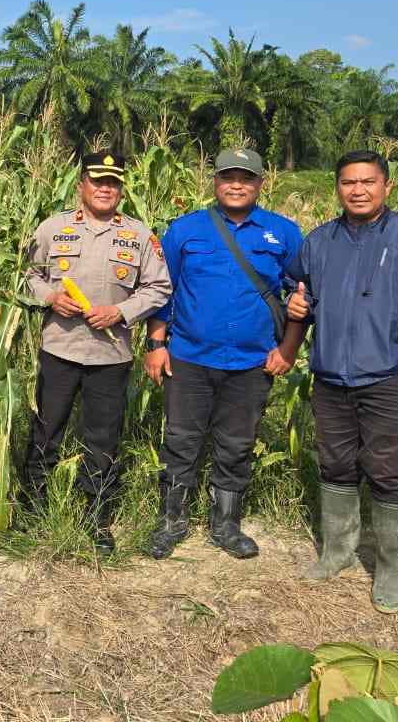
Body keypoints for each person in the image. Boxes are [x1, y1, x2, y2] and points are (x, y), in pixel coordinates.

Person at [288, 149, 398, 614]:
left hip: (395, 376)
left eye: (368, 182)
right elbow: (294, 286)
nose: (358, 190)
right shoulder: (319, 241)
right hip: (332, 376)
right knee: (336, 465)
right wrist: (294, 302)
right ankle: (337, 552)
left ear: (387, 186)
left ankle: (389, 568)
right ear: (338, 188)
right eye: (349, 182)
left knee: (388, 471)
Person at [143, 148, 305, 561]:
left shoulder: (282, 233)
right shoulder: (184, 230)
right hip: (190, 357)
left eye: (246, 177)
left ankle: (226, 525)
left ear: (260, 183)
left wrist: (288, 349)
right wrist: (156, 347)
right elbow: (164, 294)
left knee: (237, 443)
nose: (237, 184)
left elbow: (302, 294)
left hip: (252, 361)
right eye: (228, 176)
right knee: (181, 440)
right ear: (214, 181)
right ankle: (171, 521)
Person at [22, 152, 172, 554]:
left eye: (113, 183)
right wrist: (51, 297)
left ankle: (97, 518)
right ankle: (33, 511)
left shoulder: (139, 235)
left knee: (103, 439)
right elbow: (25, 276)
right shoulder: (53, 228)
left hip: (111, 355)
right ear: (81, 185)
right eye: (97, 181)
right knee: (45, 431)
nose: (106, 188)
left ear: (121, 189)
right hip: (59, 350)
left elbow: (158, 288)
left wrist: (120, 312)